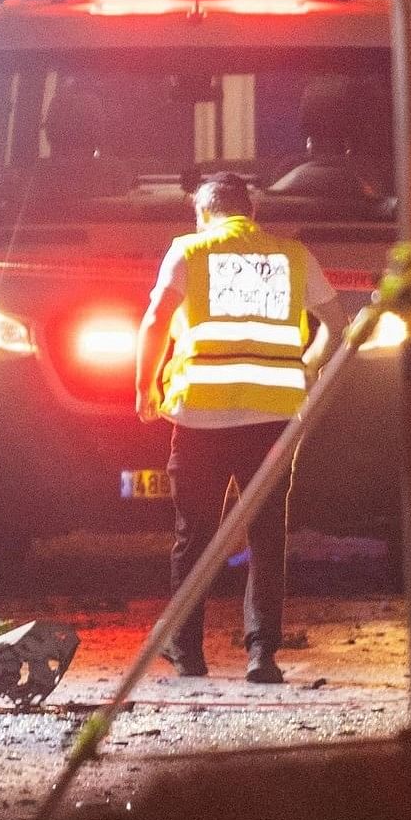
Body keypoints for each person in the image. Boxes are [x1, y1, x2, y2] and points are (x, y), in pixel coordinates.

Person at [133, 173, 325, 683]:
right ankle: (262, 654)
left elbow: (155, 322)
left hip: (201, 416)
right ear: (251, 211)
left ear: (203, 213)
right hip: (273, 418)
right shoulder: (291, 256)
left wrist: (144, 386)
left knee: (194, 536)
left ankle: (187, 652)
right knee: (267, 536)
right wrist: (307, 368)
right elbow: (337, 321)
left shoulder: (190, 251)